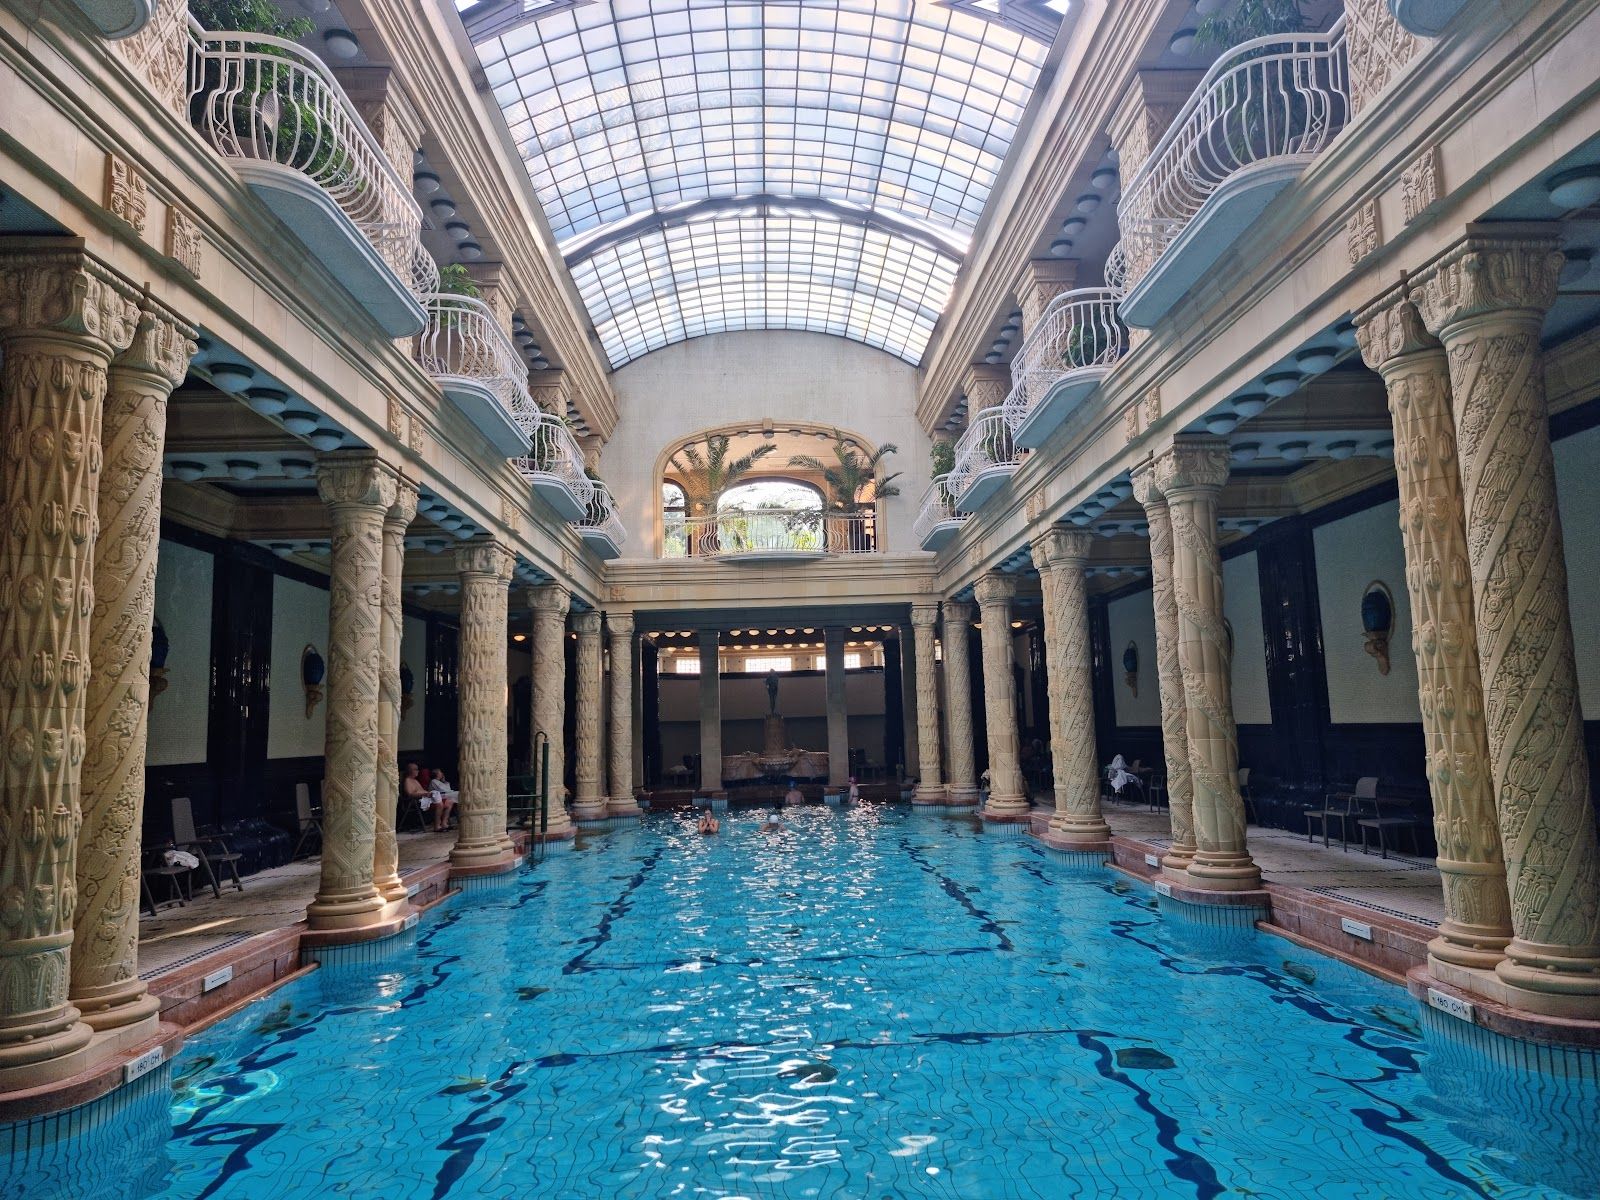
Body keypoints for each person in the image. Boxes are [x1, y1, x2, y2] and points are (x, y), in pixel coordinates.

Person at [427, 767, 459, 832]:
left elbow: (448, 789)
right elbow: (443, 790)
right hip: (436, 798)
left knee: (451, 801)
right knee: (459, 794)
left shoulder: (440, 782)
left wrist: (444, 781)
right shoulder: (433, 781)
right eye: (440, 772)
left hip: (444, 795)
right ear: (436, 774)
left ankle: (444, 823)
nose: (442, 773)